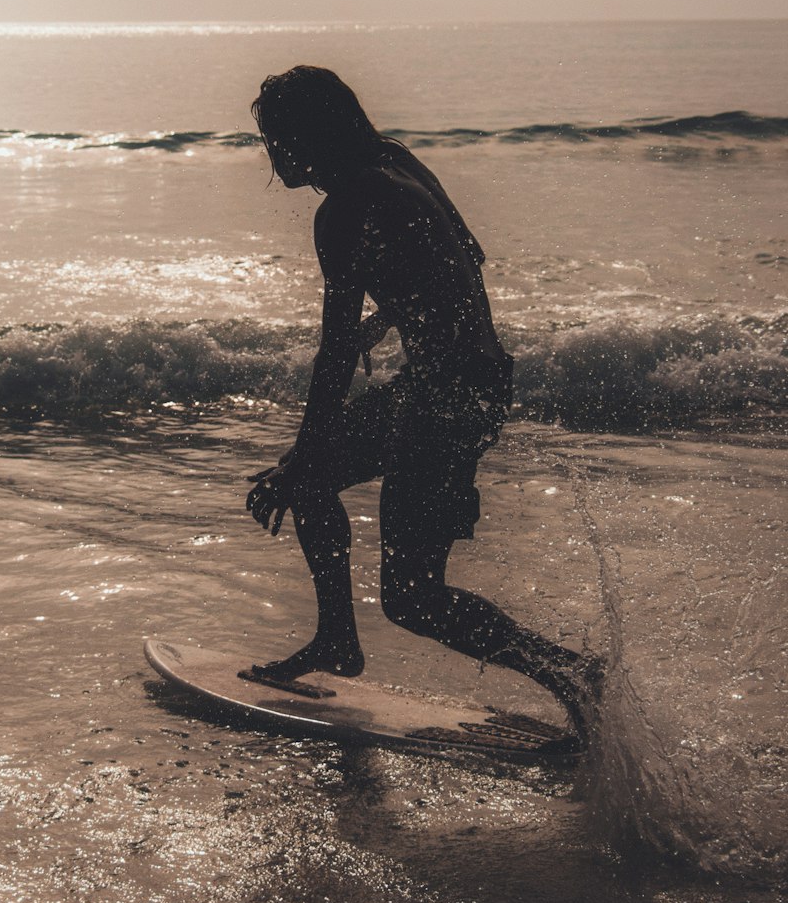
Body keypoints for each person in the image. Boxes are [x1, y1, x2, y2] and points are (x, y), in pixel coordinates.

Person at [243, 66, 600, 736]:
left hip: (448, 401)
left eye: (278, 139)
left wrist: (301, 450)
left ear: (312, 135)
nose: (272, 156)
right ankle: (337, 644)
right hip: (460, 383)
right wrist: (397, 312)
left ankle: (572, 674)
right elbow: (468, 250)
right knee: (314, 479)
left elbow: (330, 360)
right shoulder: (393, 162)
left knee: (411, 597)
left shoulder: (343, 209)